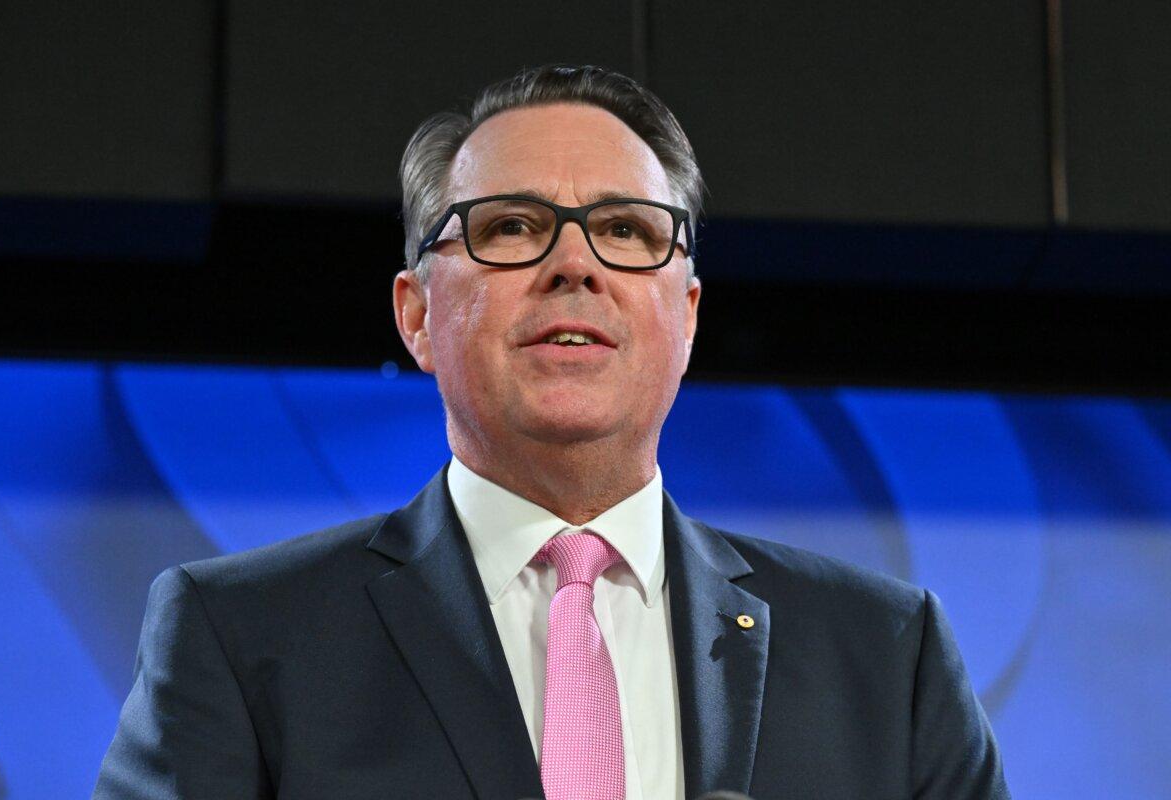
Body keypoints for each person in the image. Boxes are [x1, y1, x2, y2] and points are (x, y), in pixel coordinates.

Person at [94, 64, 1010, 799]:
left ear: (686, 315)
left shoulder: (887, 654)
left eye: (625, 228)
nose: (574, 265)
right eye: (512, 226)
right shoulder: (238, 636)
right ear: (416, 315)